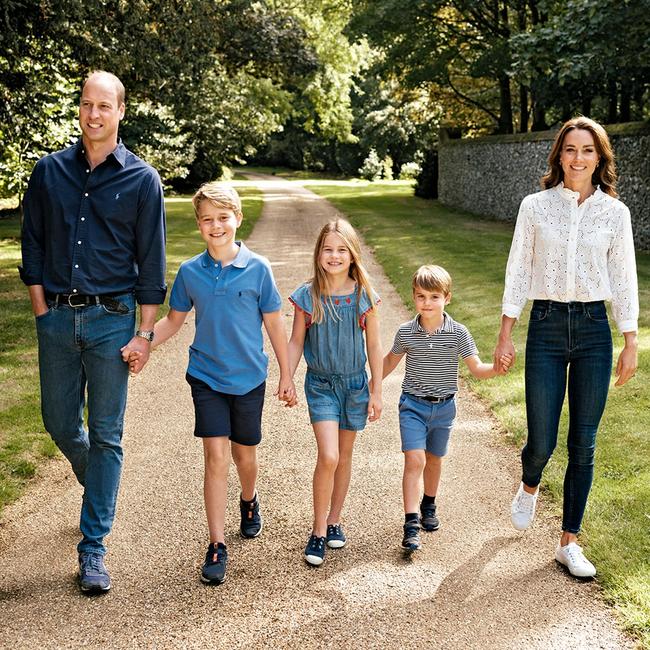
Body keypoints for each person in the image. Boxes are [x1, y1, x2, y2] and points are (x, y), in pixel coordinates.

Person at [19, 71, 166, 593]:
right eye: (86, 104)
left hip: (112, 321)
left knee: (107, 434)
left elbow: (152, 264)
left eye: (104, 105)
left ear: (121, 112)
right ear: (79, 109)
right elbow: (31, 245)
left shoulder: (143, 180)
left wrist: (144, 334)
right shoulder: (48, 172)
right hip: (56, 317)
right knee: (59, 422)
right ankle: (97, 487)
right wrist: (41, 311)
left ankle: (93, 549)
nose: (94, 114)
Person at [125, 182, 295, 585]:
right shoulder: (190, 272)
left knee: (244, 456)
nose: (216, 226)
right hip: (206, 377)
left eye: (223, 218)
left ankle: (249, 500)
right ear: (199, 225)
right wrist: (142, 341)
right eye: (207, 220)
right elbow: (173, 321)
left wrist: (286, 374)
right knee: (215, 458)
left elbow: (274, 323)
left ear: (238, 218)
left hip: (249, 377)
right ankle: (217, 543)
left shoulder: (259, 268)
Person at [495, 116, 639, 578]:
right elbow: (518, 269)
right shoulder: (535, 206)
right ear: (559, 154)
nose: (579, 158)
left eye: (588, 150)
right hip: (546, 325)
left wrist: (630, 339)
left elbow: (624, 278)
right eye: (571, 149)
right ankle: (529, 483)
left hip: (596, 328)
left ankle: (569, 542)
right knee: (542, 440)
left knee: (584, 442)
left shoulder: (615, 214)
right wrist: (505, 331)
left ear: (600, 158)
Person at [383, 265, 512, 553]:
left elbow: (476, 368)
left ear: (447, 298)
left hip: (444, 409)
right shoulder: (406, 332)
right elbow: (389, 361)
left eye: (433, 297)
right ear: (414, 298)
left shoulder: (458, 333)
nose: (426, 303)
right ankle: (411, 522)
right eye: (420, 296)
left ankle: (429, 503)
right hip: (412, 406)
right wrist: (370, 387)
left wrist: (497, 370)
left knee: (434, 460)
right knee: (414, 460)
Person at [287, 219, 382, 566]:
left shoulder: (363, 296)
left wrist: (376, 390)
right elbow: (296, 340)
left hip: (355, 385)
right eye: (328, 249)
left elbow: (374, 344)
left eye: (342, 249)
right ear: (318, 253)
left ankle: (335, 519)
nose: (334, 255)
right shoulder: (307, 296)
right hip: (322, 384)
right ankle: (317, 530)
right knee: (328, 455)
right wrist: (287, 376)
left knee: (343, 456)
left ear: (353, 255)